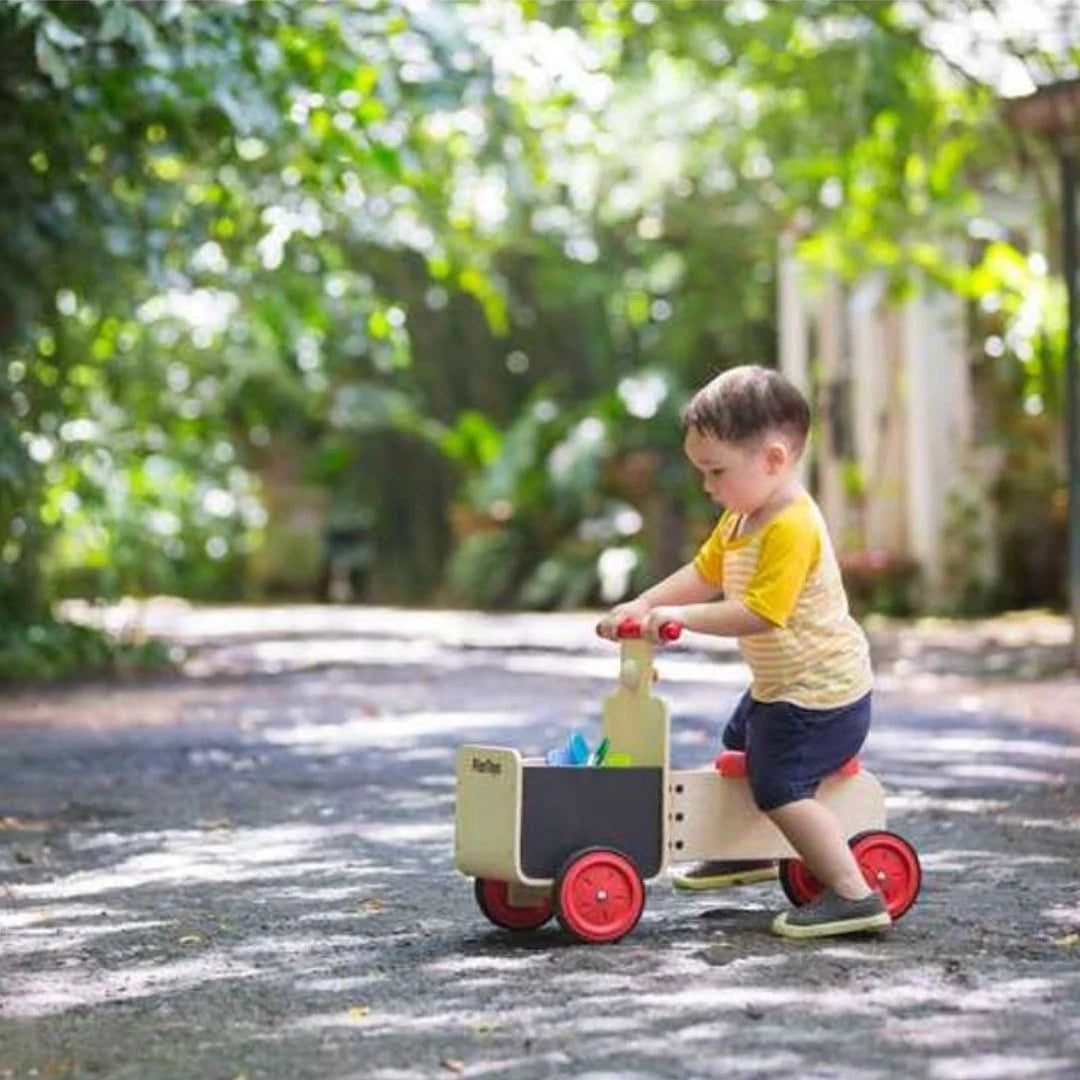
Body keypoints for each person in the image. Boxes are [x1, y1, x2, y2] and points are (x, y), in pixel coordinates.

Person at [597, 365, 889, 939]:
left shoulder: (792, 527)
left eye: (716, 471)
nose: (708, 486)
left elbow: (758, 611)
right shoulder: (740, 518)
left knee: (778, 783)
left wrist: (679, 620)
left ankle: (855, 895)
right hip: (781, 689)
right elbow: (704, 573)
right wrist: (642, 604)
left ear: (774, 460)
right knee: (737, 747)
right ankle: (746, 848)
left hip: (822, 697)